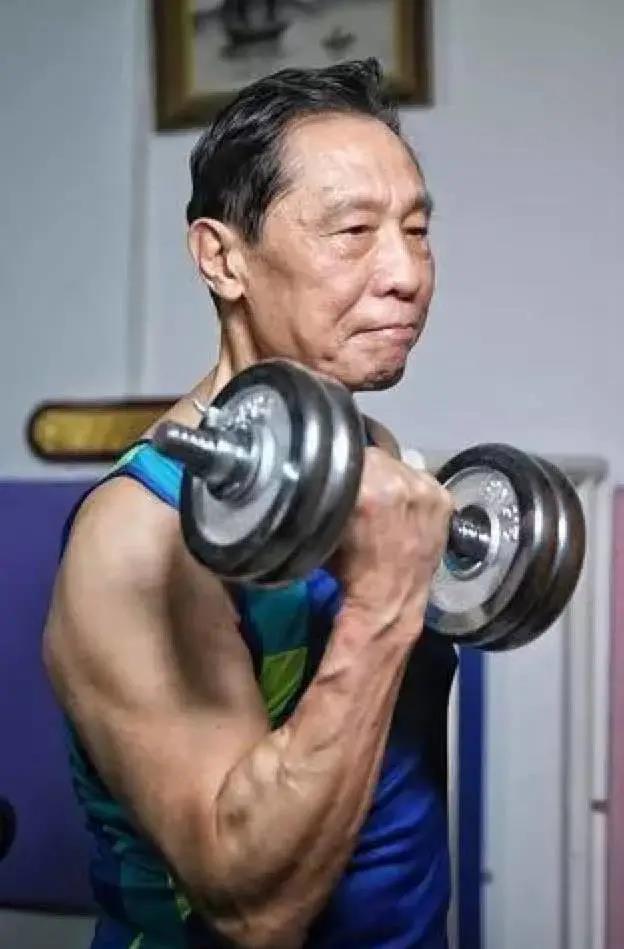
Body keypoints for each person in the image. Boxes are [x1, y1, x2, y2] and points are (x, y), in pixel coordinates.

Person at [44, 58, 458, 948]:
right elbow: (252, 909)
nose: (406, 273)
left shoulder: (371, 454)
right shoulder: (137, 538)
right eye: (353, 230)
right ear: (222, 257)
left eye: (417, 230)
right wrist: (386, 604)